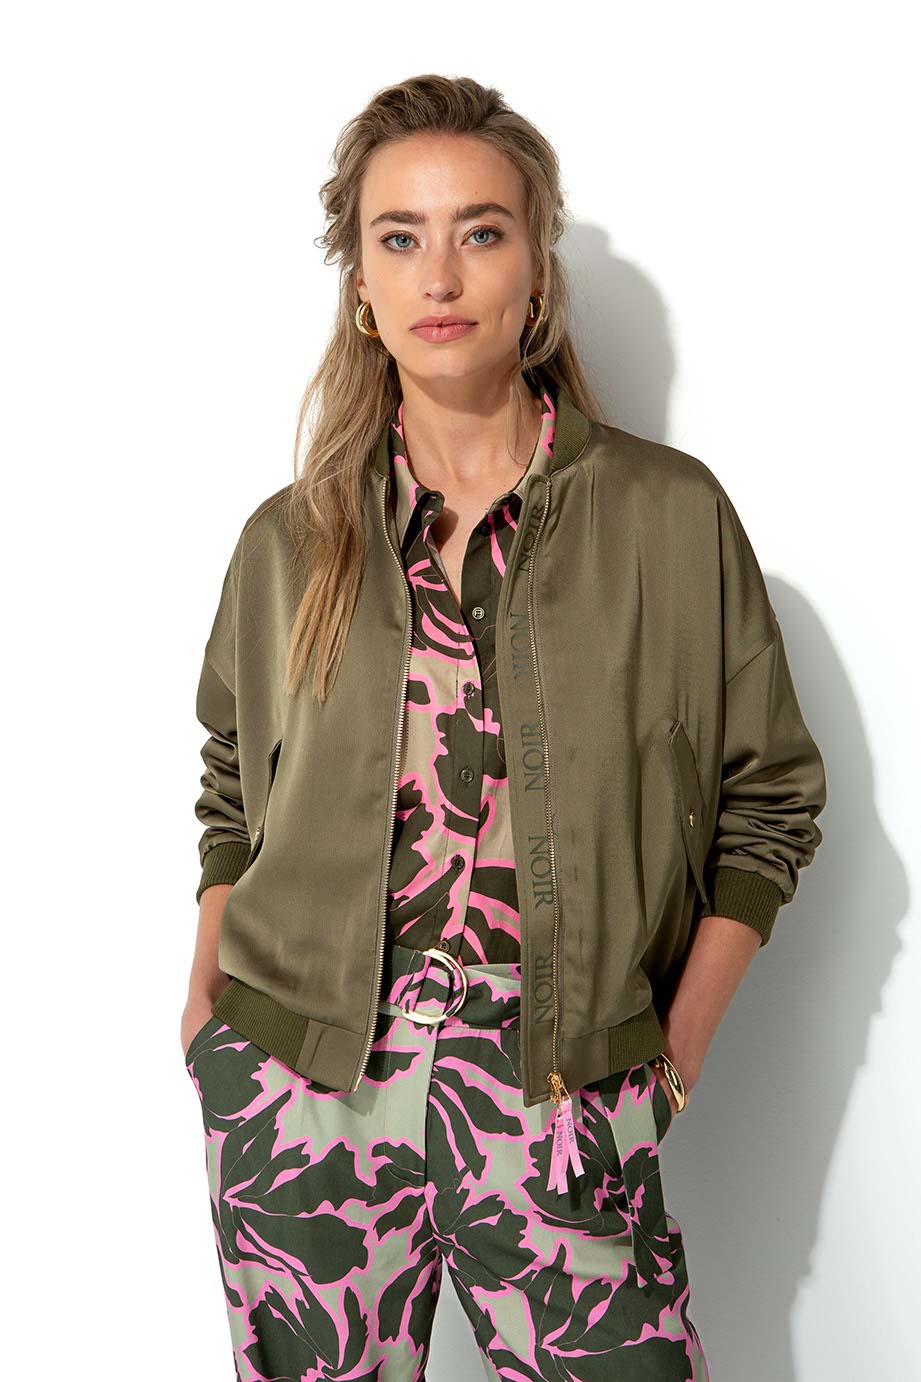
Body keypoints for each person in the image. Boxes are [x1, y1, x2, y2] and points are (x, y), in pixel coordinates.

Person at [181, 73, 827, 1381]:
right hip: (303, 1094)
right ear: (361, 286)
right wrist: (209, 1023)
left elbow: (768, 801)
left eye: (481, 231)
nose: (441, 274)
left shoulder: (665, 518)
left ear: (534, 270)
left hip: (560, 1097)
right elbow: (234, 788)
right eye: (399, 237)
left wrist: (671, 1058)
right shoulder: (290, 541)